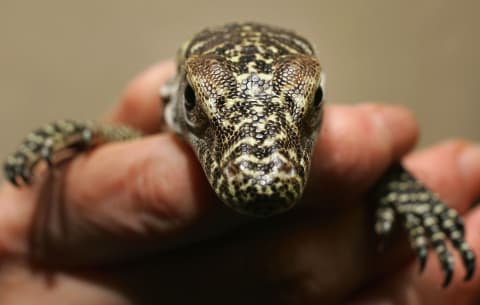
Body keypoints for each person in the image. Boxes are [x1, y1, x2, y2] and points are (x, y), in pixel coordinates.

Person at [0, 60, 479, 305]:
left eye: (303, 113)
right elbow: (133, 139)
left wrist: (399, 186)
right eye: (204, 113)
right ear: (183, 98)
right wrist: (90, 137)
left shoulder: (337, 147)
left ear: (316, 102)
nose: (261, 176)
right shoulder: (162, 120)